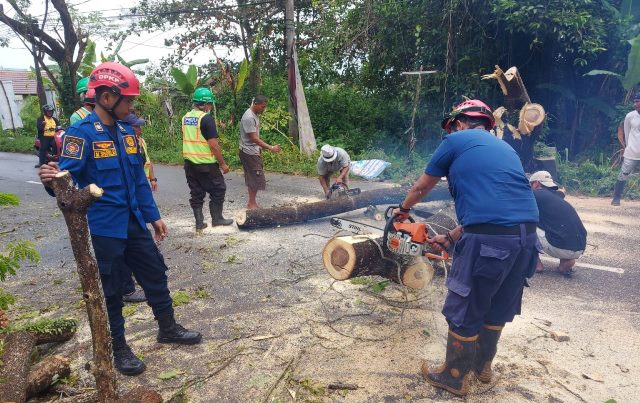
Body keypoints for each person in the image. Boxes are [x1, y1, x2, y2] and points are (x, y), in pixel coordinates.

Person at [39, 62, 201, 376]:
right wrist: (50, 179)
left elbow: (139, 180)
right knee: (112, 289)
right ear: (108, 98)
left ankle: (167, 327)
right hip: (103, 227)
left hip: (132, 220)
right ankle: (119, 348)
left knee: (155, 272)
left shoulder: (127, 132)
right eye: (128, 100)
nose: (132, 106)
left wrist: (153, 217)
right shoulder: (81, 133)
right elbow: (64, 180)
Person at [394, 99, 539, 396]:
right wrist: (451, 238)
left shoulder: (455, 140)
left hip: (490, 240)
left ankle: (454, 376)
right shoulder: (505, 148)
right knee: (498, 303)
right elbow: (498, 213)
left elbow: (422, 187)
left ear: (458, 123)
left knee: (466, 304)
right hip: (526, 238)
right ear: (486, 124)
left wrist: (402, 211)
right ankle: (482, 367)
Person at [182, 87, 233, 230]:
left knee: (196, 192)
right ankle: (217, 219)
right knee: (219, 189)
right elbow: (214, 145)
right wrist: (222, 164)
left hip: (189, 163)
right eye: (210, 104)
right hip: (206, 164)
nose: (210, 107)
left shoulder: (185, 118)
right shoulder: (206, 119)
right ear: (204, 104)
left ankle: (199, 223)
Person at [529, 171, 587, 275]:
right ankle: (565, 262)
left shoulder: (535, 194)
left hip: (560, 246)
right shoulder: (555, 196)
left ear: (537, 183)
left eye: (531, 184)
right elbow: (561, 193)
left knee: (526, 226)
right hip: (580, 247)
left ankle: (536, 264)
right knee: (557, 225)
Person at [239, 95, 281, 209]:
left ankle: (251, 203)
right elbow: (254, 138)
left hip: (253, 150)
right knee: (255, 176)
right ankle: (251, 204)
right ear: (256, 104)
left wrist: (260, 148)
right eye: (262, 107)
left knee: (254, 176)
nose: (264, 109)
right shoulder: (248, 117)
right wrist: (270, 147)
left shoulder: (254, 115)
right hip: (249, 152)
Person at [612, 93, 640, 205]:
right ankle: (616, 198)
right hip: (632, 152)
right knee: (623, 174)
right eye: (635, 102)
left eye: (638, 101)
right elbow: (627, 133)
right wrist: (628, 147)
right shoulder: (630, 116)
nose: (635, 104)